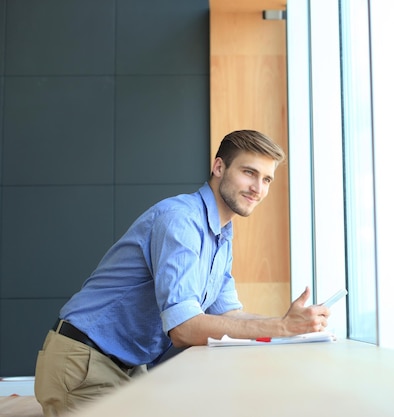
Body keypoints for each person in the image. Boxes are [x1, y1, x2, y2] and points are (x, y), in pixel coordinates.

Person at [34, 130, 330, 417]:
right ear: (219, 167)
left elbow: (229, 314)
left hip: (125, 365)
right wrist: (280, 329)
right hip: (84, 361)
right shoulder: (181, 220)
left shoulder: (221, 234)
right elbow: (184, 328)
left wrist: (291, 325)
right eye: (249, 172)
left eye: (266, 179)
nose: (258, 188)